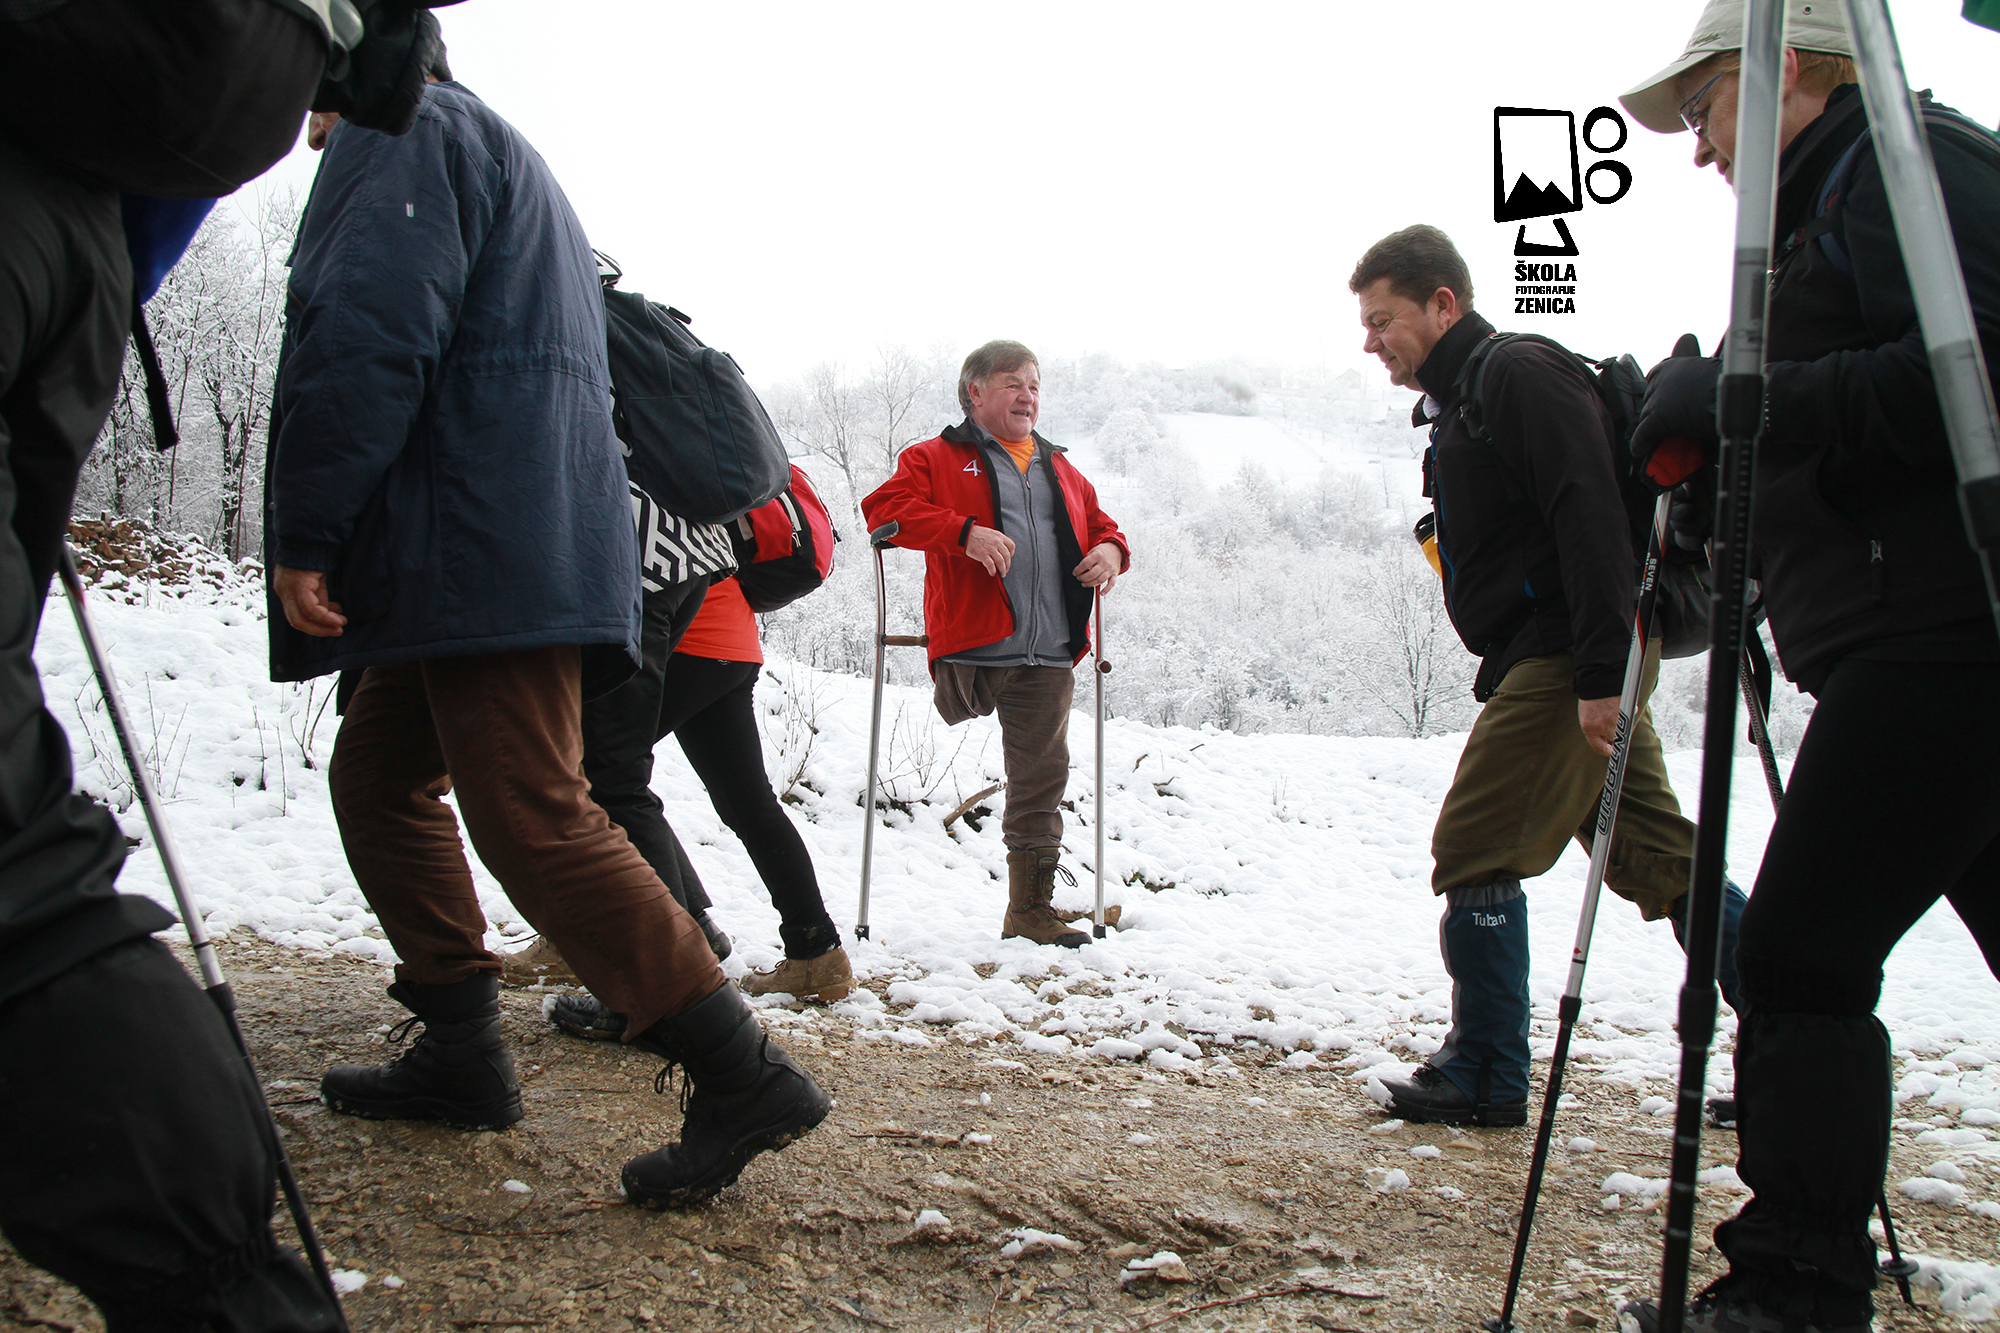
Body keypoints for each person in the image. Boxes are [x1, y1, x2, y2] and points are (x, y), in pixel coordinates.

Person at [264, 50, 828, 1210]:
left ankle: (741, 1073)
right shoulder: (482, 143)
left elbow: (366, 332)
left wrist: (310, 523)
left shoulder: (398, 127)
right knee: (377, 776)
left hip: (481, 536)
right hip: (489, 532)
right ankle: (459, 1046)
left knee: (531, 809)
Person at [1617, 3, 2000, 1329]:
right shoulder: (1836, 203)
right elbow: (1852, 417)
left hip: (1946, 636)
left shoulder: (1906, 159)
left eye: (1705, 108)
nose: (1697, 147)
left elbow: (1975, 371)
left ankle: (1794, 1290)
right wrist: (1717, 472)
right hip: (1920, 632)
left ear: (1786, 71)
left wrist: (1749, 402)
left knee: (1797, 957)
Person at [0, 3, 352, 1327]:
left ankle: (224, 1291)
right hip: (79, 252)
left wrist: (313, 538)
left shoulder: (407, 164)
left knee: (14, 885)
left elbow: (366, 353)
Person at [1350, 225, 1746, 1129]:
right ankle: (1790, 1042)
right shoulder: (1466, 399)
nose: (1372, 342)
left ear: (1443, 303)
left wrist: (1601, 673)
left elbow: (1590, 513)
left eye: (1383, 320)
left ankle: (1486, 1068)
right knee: (1655, 852)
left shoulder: (1516, 372)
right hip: (1576, 650)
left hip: (1569, 654)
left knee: (1477, 842)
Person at [860, 341, 1128, 948]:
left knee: (1043, 778)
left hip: (1051, 649)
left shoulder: (1062, 468)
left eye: (1034, 385)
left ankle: (1029, 912)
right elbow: (884, 510)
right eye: (1013, 384)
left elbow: (1103, 526)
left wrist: (1112, 551)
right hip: (975, 645)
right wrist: (962, 532)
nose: (1027, 396)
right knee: (1019, 761)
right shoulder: (934, 457)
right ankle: (1024, 908)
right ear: (974, 392)